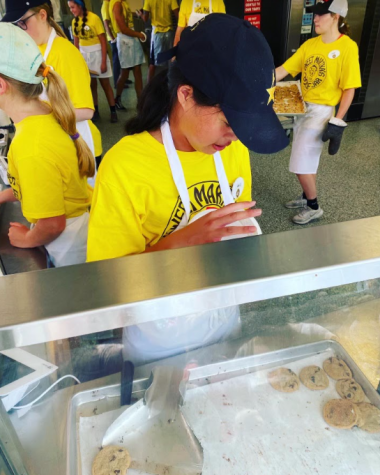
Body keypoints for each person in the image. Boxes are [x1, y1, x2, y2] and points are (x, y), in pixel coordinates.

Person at [87, 14, 289, 365]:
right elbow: (106, 285)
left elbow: (236, 232)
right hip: (158, 338)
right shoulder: (125, 166)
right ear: (185, 94)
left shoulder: (232, 150)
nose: (236, 137)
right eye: (229, 122)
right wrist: (184, 241)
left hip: (223, 323)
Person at [0, 23, 93, 267]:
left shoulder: (30, 146)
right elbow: (49, 182)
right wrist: (3, 196)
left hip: (68, 248)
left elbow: (53, 223)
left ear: (1, 85)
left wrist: (27, 238)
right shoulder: (46, 113)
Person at [276, 0, 361, 224]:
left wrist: (337, 121)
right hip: (303, 108)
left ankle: (314, 207)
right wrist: (258, 79)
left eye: (321, 15)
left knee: (300, 163)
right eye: (315, 14)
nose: (315, 18)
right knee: (307, 160)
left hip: (322, 113)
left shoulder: (348, 47)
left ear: (336, 16)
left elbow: (349, 88)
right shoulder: (310, 45)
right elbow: (284, 70)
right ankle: (306, 197)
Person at [1, 0, 103, 174]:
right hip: (55, 143)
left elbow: (86, 111)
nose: (19, 30)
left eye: (23, 22)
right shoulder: (33, 50)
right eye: (15, 25)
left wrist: (39, 119)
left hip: (79, 146)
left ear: (42, 15)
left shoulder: (66, 53)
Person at [68, 0, 118, 124]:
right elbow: (76, 43)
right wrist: (77, 61)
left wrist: (103, 62)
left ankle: (113, 111)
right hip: (85, 57)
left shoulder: (94, 18)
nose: (71, 10)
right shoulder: (74, 22)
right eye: (70, 8)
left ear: (80, 6)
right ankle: (96, 111)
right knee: (92, 85)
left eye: (73, 7)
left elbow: (102, 41)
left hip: (98, 54)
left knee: (105, 84)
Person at [110, 0, 146, 109]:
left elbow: (127, 21)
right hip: (125, 41)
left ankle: (140, 103)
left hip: (131, 39)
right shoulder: (117, 4)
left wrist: (138, 14)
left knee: (137, 71)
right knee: (125, 72)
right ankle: (117, 99)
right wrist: (139, 34)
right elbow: (123, 29)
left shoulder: (123, 3)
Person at [136, 0, 179, 83]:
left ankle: (150, 86)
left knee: (153, 62)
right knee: (170, 60)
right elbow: (178, 15)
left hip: (157, 34)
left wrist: (140, 15)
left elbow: (145, 19)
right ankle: (170, 84)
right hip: (169, 32)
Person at [101, 0, 121, 89]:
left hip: (116, 36)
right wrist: (112, 38)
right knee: (116, 60)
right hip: (113, 38)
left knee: (120, 60)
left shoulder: (110, 3)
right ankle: (117, 82)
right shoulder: (105, 5)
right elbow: (106, 24)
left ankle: (122, 79)